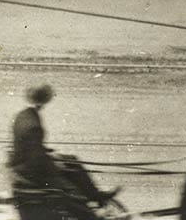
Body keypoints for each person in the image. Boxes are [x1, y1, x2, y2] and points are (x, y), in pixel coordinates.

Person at [8, 84, 118, 220]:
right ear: (45, 100)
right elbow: (36, 158)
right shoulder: (34, 126)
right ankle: (90, 209)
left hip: (25, 163)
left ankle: (95, 195)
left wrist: (50, 155)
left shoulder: (23, 115)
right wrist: (55, 164)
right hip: (31, 170)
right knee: (69, 190)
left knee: (71, 160)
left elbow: (29, 146)